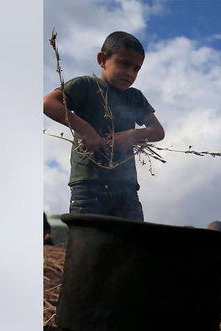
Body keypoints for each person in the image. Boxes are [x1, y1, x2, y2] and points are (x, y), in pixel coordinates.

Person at [43, 31, 165, 220]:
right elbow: (49, 103)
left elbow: (157, 131)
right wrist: (87, 131)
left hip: (126, 189)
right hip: (88, 187)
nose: (130, 73)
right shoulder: (87, 85)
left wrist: (130, 135)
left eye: (136, 69)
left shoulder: (135, 97)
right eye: (124, 64)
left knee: (132, 238)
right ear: (103, 60)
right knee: (89, 237)